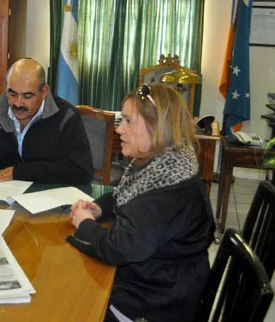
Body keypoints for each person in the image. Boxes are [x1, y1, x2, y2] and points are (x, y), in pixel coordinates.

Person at [68, 83, 215, 321]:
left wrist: (85, 225)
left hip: (158, 301)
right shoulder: (162, 162)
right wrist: (99, 208)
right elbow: (122, 194)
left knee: (73, 302)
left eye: (128, 121)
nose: (119, 130)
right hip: (165, 280)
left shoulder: (165, 189)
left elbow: (121, 247)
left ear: (157, 126)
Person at [0, 58, 93, 185]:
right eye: (12, 94)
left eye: (27, 96)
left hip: (49, 197)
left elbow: (81, 170)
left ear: (44, 92)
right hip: (3, 196)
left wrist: (20, 172)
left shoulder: (66, 116)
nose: (18, 103)